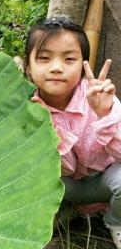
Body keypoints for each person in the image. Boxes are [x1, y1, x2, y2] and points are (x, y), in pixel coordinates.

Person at [23, 16, 121, 248]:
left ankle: (115, 221)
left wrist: (104, 114)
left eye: (69, 59)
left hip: (107, 181)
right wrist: (49, 128)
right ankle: (65, 211)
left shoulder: (100, 95)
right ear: (29, 65)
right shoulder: (27, 108)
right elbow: (61, 168)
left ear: (84, 64)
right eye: (44, 58)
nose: (56, 67)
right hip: (68, 187)